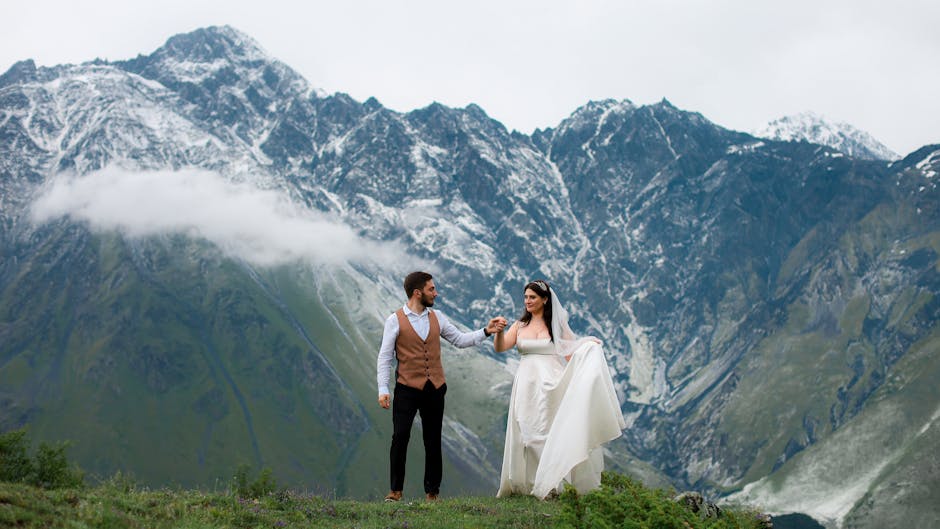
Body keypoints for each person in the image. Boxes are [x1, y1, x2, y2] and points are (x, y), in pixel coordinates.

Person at [377, 271, 507, 502]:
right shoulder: (394, 320)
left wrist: (487, 331)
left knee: (433, 440)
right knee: (400, 436)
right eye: (431, 289)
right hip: (406, 388)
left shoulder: (437, 317)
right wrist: (383, 389)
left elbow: (460, 340)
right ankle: (395, 491)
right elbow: (385, 357)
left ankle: (432, 493)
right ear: (417, 293)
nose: (436, 293)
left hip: (434, 388)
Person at [494, 279, 626, 499]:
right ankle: (531, 483)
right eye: (526, 297)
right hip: (526, 384)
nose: (527, 301)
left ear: (545, 300)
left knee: (548, 432)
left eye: (532, 297)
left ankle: (551, 485)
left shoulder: (556, 325)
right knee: (526, 431)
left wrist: (587, 347)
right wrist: (499, 332)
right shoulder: (519, 325)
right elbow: (501, 347)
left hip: (552, 383)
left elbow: (570, 353)